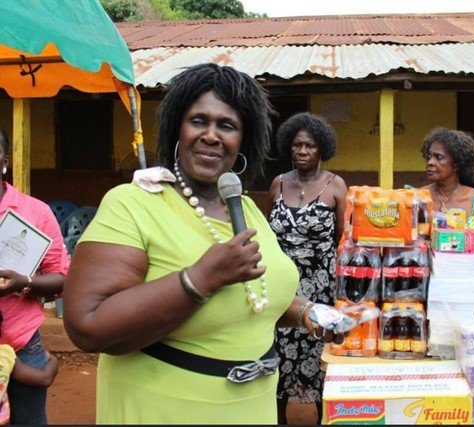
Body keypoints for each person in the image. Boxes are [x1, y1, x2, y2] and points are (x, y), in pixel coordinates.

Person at [62, 63, 347, 424]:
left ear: (242, 141)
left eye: (226, 126)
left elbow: (256, 297)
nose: (211, 135)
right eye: (198, 121)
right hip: (164, 409)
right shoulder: (132, 203)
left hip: (252, 408)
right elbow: (87, 325)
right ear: (177, 130)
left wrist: (307, 311)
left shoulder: (245, 208)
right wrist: (201, 278)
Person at [267, 112, 347, 424]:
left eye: (310, 146)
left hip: (320, 290)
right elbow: (269, 236)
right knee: (276, 361)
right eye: (297, 145)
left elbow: (342, 237)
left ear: (321, 149)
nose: (302, 151)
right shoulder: (278, 184)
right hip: (281, 291)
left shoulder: (335, 185)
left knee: (316, 362)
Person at [0, 128, 69, 425]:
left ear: (5, 160)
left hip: (22, 343)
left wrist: (24, 283)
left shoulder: (34, 212)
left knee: (29, 420)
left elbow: (60, 278)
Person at [420, 127, 474, 228]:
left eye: (439, 157)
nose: (430, 162)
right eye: (429, 157)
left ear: (456, 164)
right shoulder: (416, 197)